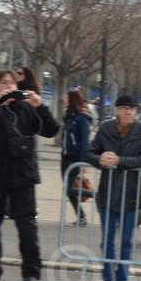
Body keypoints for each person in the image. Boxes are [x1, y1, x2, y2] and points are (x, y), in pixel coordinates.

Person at [0, 69, 59, 281]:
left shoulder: (26, 109)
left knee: (27, 227)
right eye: (4, 83)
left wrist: (40, 106)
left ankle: (31, 273)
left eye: (12, 83)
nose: (9, 87)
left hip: (23, 177)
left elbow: (52, 130)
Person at [86, 94, 141, 281]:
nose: (128, 111)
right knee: (107, 240)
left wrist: (120, 161)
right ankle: (107, 278)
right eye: (124, 107)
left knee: (125, 240)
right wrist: (100, 159)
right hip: (107, 194)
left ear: (137, 112)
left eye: (132, 108)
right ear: (116, 110)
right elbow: (89, 152)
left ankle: (122, 279)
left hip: (131, 195)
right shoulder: (106, 128)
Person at [61, 90, 93, 227]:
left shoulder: (81, 118)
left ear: (72, 100)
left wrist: (82, 163)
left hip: (74, 159)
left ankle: (96, 197)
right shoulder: (70, 117)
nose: (64, 100)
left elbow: (84, 143)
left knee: (70, 189)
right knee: (68, 189)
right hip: (65, 158)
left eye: (66, 98)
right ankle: (81, 216)